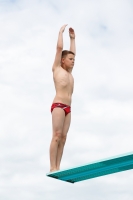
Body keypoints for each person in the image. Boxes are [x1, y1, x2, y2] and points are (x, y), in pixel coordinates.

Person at [49, 24, 76, 172]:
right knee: (57, 136)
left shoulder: (70, 73)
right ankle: (52, 167)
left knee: (64, 138)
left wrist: (73, 39)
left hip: (68, 108)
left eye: (74, 59)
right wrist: (61, 33)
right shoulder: (57, 69)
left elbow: (73, 53)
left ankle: (58, 167)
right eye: (70, 59)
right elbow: (59, 49)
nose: (73, 61)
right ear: (63, 60)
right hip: (58, 106)